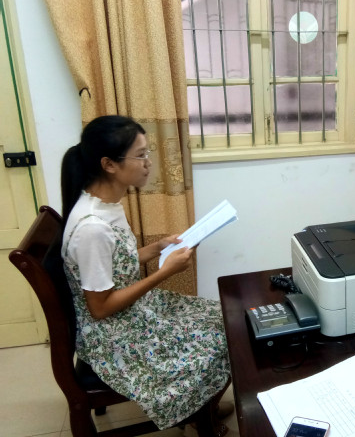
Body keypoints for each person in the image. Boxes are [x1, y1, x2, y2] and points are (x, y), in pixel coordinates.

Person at [60, 115, 231, 432]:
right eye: (140, 155)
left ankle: (204, 406)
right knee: (223, 337)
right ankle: (201, 415)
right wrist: (164, 273)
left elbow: (114, 265)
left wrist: (156, 249)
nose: (148, 163)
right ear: (109, 164)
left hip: (131, 313)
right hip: (113, 335)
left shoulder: (105, 204)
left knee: (226, 317)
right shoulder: (92, 228)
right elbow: (100, 308)